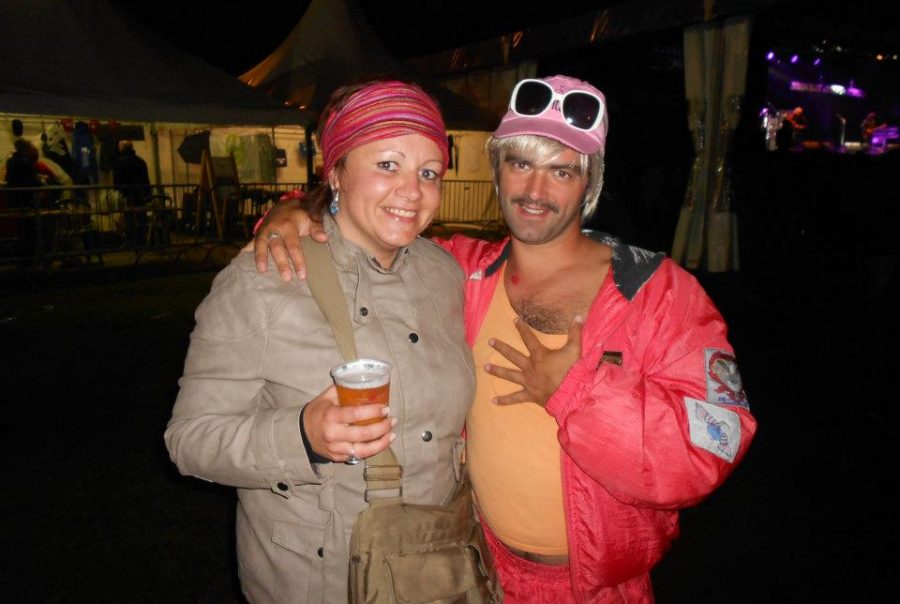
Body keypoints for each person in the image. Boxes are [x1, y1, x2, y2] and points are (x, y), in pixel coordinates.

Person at [253, 74, 758, 602]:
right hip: (480, 572)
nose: (535, 191)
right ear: (497, 172)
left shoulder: (659, 293)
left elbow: (713, 446)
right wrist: (295, 211)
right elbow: (363, 227)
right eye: (520, 164)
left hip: (598, 589)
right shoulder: (456, 272)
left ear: (590, 182)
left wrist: (577, 393)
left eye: (561, 170)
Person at [164, 79, 474, 603]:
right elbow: (189, 439)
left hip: (435, 571)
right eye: (387, 165)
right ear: (336, 171)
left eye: (429, 173)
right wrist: (301, 436)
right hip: (319, 582)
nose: (412, 191)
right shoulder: (263, 281)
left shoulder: (444, 274)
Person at [112, 140, 151, 245]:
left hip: (127, 194)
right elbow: (146, 180)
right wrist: (148, 195)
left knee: (129, 218)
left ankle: (131, 241)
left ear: (123, 148)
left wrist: (117, 190)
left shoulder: (119, 162)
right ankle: (142, 240)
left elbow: (117, 181)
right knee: (142, 218)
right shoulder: (141, 161)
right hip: (141, 194)